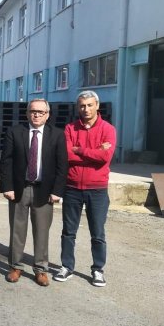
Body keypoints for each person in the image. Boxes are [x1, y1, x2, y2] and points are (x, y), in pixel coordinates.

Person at [0, 98, 67, 287]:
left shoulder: (57, 135)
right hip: (19, 189)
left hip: (44, 191)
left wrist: (57, 191)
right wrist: (7, 187)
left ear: (47, 115)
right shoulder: (15, 132)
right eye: (33, 111)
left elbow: (62, 165)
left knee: (42, 231)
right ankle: (15, 266)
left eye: (40, 112)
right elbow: (6, 161)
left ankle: (41, 269)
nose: (36, 115)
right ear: (27, 113)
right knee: (17, 230)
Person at [55, 90, 115, 287]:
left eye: (89, 105)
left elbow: (105, 158)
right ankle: (66, 267)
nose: (86, 109)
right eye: (82, 105)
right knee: (68, 231)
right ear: (77, 107)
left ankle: (98, 269)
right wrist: (94, 153)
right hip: (72, 188)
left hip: (97, 190)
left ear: (97, 105)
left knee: (97, 233)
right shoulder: (70, 128)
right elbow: (67, 155)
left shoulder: (108, 129)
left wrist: (79, 150)